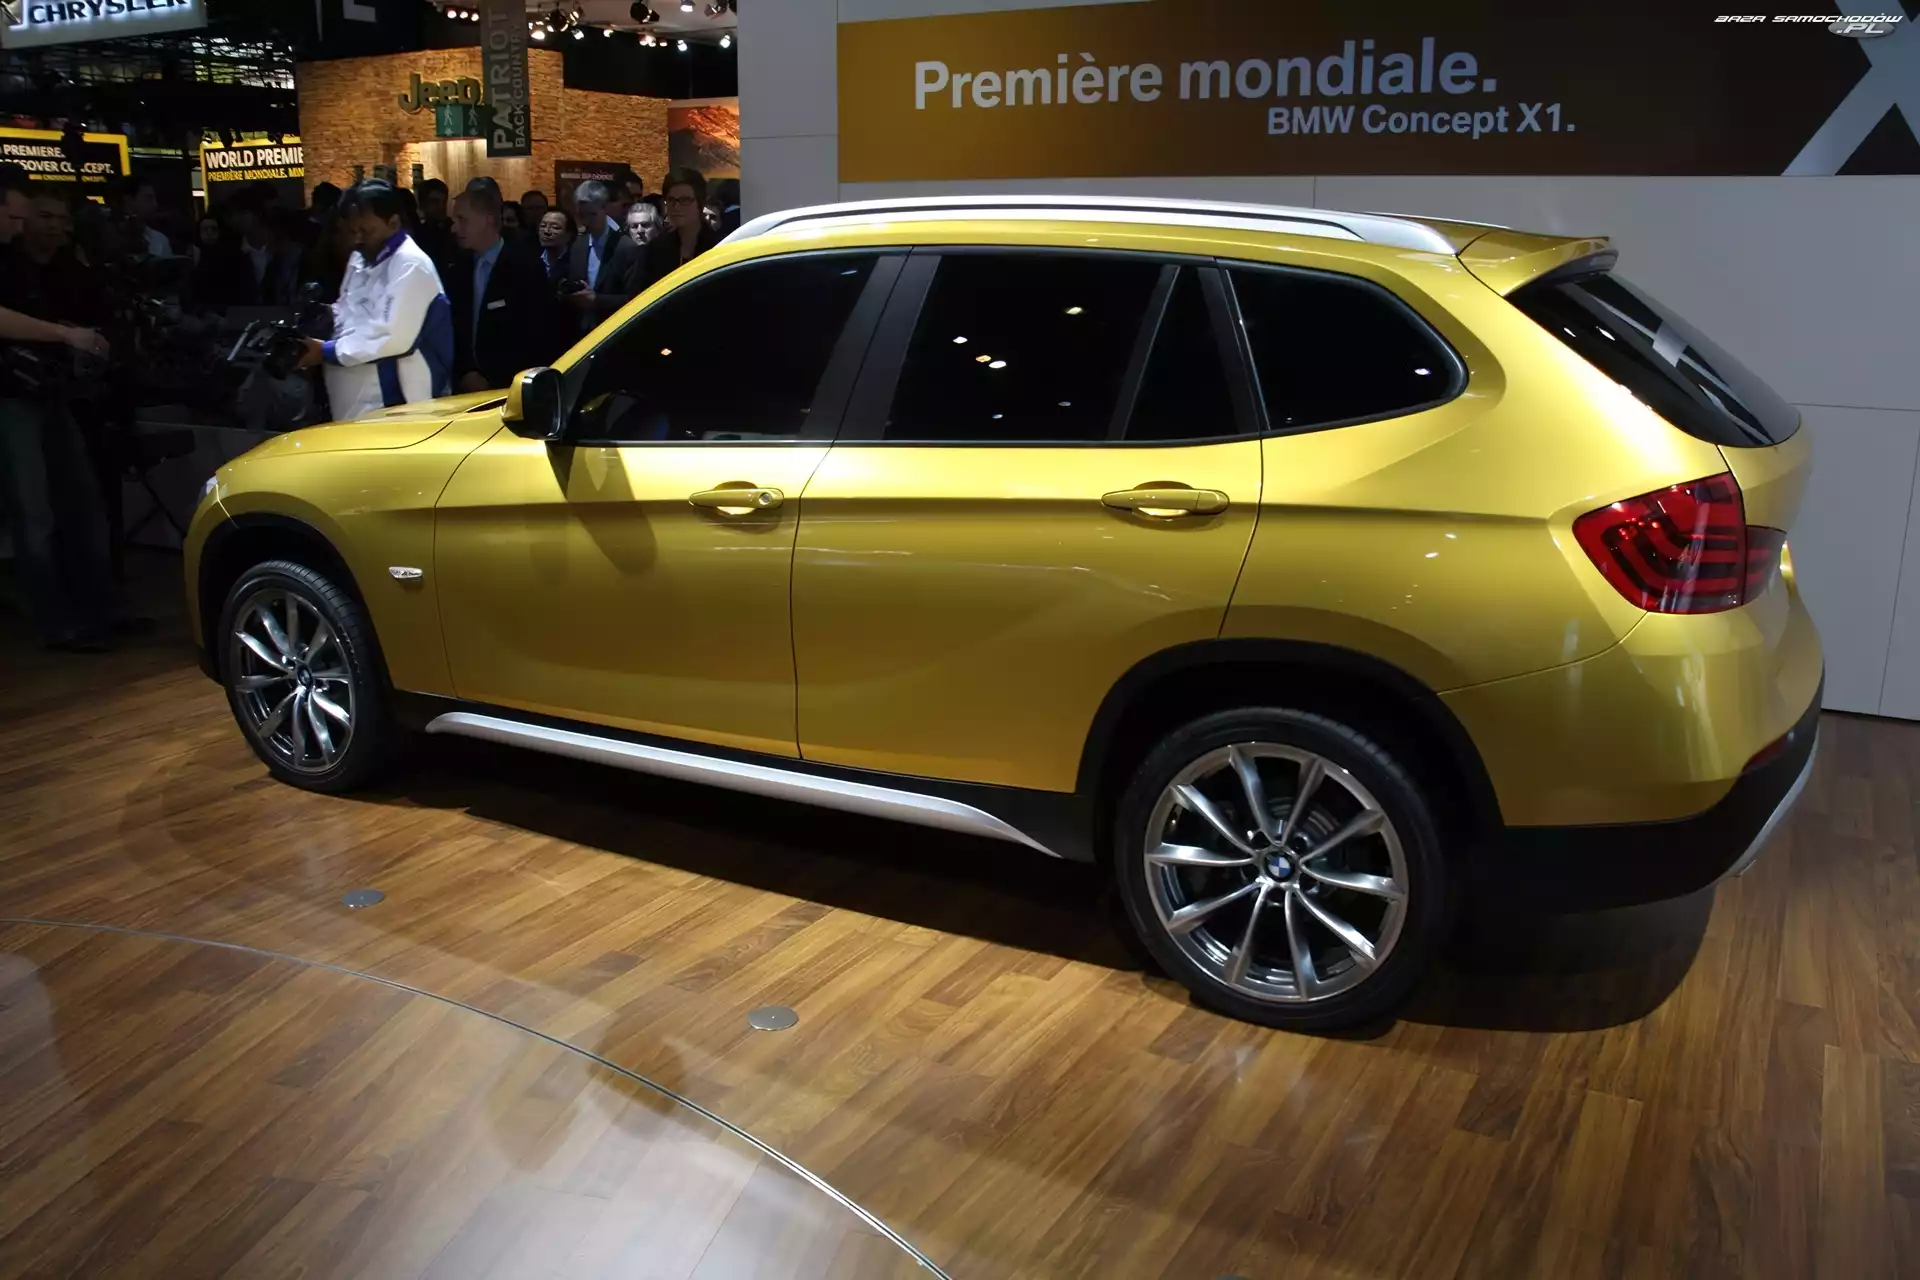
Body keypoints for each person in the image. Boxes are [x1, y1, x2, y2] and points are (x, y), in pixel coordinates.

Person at [0, 176, 119, 651]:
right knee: (33, 512)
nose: (54, 226)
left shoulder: (70, 270)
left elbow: (96, 323)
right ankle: (55, 619)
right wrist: (65, 334)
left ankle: (100, 611)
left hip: (59, 394)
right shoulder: (7, 264)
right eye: (43, 216)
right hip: (12, 396)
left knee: (81, 504)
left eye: (61, 219)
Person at [294, 178, 452, 420]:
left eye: (365, 231)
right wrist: (325, 315)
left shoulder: (411, 264)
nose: (357, 240)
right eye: (352, 231)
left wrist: (324, 351)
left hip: (395, 412)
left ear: (393, 223)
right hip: (352, 407)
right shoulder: (360, 257)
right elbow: (348, 311)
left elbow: (391, 338)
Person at [447, 185, 555, 392]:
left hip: (511, 388)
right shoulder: (458, 268)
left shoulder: (525, 267)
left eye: (462, 220)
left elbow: (537, 335)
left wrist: (494, 381)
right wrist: (465, 372)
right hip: (465, 387)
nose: (454, 228)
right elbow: (455, 328)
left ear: (488, 220)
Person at [563, 179, 645, 332]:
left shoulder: (626, 248)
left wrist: (596, 300)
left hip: (614, 331)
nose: (586, 221)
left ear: (605, 208)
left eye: (592, 214)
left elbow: (634, 300)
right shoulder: (577, 245)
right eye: (582, 215)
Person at [647, 167, 720, 286]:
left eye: (685, 200)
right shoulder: (656, 249)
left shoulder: (718, 247)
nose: (676, 207)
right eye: (671, 200)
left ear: (700, 203)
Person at [117, 175, 171, 259]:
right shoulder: (109, 238)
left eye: (154, 199)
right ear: (129, 200)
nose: (155, 204)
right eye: (148, 198)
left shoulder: (159, 239)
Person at [413, 177, 453, 268]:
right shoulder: (418, 235)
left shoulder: (455, 230)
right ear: (423, 204)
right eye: (434, 202)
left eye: (444, 201)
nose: (441, 207)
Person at [534, 208, 575, 283]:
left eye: (555, 227)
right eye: (543, 226)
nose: (546, 231)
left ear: (569, 235)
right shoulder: (529, 260)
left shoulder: (576, 262)